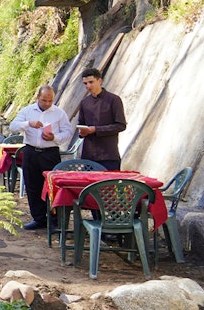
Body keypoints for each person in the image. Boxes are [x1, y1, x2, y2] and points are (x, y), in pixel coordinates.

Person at [9, 85, 73, 230]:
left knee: (53, 186)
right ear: (38, 97)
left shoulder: (59, 113)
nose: (47, 103)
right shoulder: (27, 111)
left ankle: (55, 220)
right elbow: (13, 126)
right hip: (31, 151)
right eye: (44, 100)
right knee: (32, 186)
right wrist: (28, 124)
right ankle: (38, 218)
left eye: (50, 101)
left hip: (50, 152)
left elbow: (68, 132)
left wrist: (54, 137)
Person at [77, 67, 127, 170]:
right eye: (85, 83)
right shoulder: (84, 103)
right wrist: (82, 132)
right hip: (88, 155)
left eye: (91, 82)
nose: (88, 86)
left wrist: (96, 129)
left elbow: (121, 125)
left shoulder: (114, 100)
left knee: (110, 185)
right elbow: (81, 124)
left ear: (100, 81)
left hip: (108, 154)